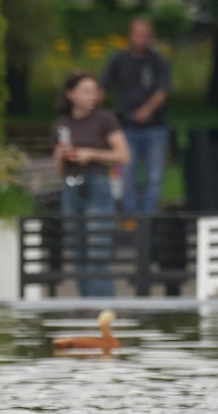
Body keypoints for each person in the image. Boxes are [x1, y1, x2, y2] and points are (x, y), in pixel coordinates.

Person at [54, 71, 130, 297]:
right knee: (77, 252)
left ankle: (105, 308)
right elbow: (60, 170)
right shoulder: (61, 125)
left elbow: (123, 155)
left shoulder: (105, 119)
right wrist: (61, 154)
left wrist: (91, 154)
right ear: (70, 94)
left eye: (94, 92)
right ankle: (86, 305)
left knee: (98, 250)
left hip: (97, 186)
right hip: (71, 187)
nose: (91, 96)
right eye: (85, 91)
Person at [101, 18, 171, 215]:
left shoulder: (159, 62)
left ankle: (150, 217)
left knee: (154, 176)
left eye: (145, 35)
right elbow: (104, 86)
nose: (142, 39)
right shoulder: (119, 60)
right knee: (127, 173)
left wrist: (147, 110)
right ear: (130, 36)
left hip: (155, 127)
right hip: (126, 127)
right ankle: (131, 217)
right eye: (138, 35)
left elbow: (163, 91)